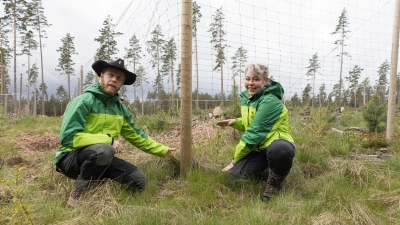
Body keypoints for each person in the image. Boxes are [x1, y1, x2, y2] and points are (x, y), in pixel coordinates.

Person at [54, 58, 176, 206]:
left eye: (119, 78)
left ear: (122, 83)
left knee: (140, 181)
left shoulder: (120, 109)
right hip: (70, 158)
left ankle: (97, 185)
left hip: (101, 157)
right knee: (104, 150)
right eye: (110, 75)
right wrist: (109, 140)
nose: (114, 80)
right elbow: (68, 138)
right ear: (101, 76)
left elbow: (136, 135)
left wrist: (163, 150)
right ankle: (76, 199)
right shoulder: (83, 101)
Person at [216, 63, 295, 202]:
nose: (250, 83)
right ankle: (268, 170)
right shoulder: (249, 98)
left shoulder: (270, 101)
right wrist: (236, 122)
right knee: (234, 180)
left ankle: (274, 183)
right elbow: (251, 123)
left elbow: (255, 133)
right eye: (247, 79)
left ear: (265, 81)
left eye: (256, 79)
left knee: (281, 150)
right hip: (259, 148)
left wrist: (234, 160)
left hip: (274, 142)